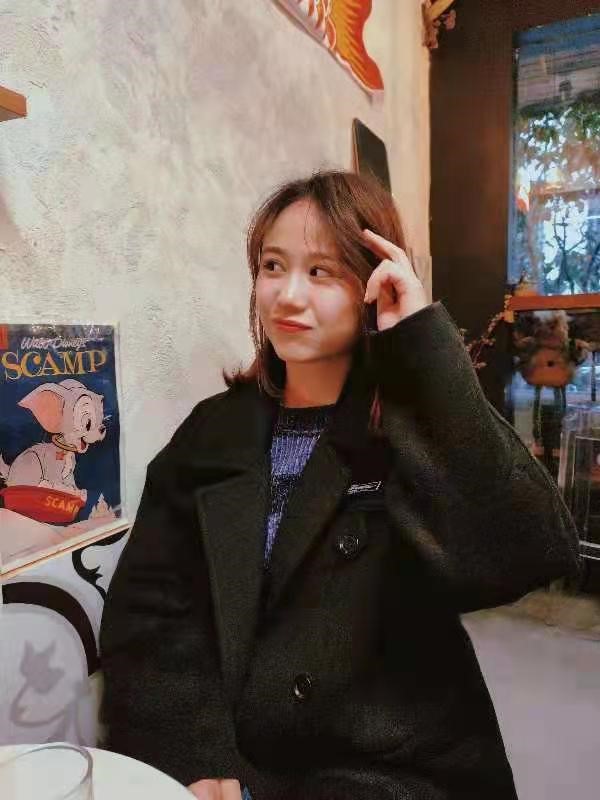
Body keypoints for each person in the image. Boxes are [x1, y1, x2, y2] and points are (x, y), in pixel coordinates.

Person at [99, 170, 580, 800]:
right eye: (273, 266)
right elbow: (153, 612)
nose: (288, 296)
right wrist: (200, 758)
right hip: (238, 761)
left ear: (373, 284)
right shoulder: (212, 434)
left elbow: (520, 555)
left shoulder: (415, 429)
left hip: (393, 768)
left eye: (322, 272)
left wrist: (421, 346)